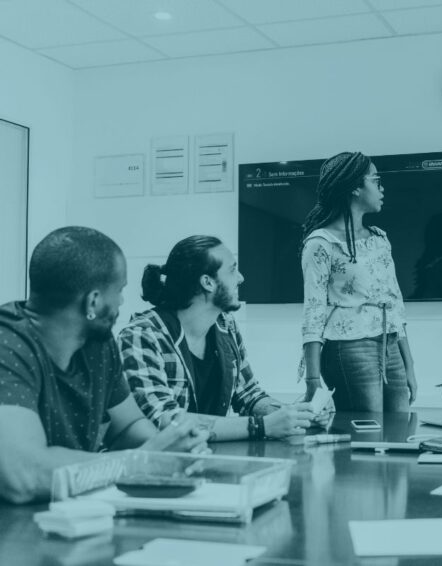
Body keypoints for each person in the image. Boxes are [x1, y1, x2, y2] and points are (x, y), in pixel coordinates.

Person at [0, 227, 208, 504]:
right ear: (94, 301)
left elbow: (126, 427)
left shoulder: (98, 343)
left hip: (69, 518)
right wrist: (142, 461)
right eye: (120, 290)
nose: (122, 301)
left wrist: (173, 445)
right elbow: (23, 476)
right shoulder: (7, 345)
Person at [119, 236, 324, 441]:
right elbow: (165, 420)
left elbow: (249, 395)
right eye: (233, 269)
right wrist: (259, 426)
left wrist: (295, 415)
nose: (241, 278)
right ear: (207, 282)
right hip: (162, 466)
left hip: (209, 461)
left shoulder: (226, 325)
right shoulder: (142, 335)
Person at [300, 151, 417, 412]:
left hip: (390, 345)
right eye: (376, 180)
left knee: (400, 429)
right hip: (349, 347)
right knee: (366, 433)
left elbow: (395, 304)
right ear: (355, 187)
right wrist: (312, 378)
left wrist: (409, 365)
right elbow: (313, 311)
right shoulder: (320, 243)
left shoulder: (379, 239)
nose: (381, 188)